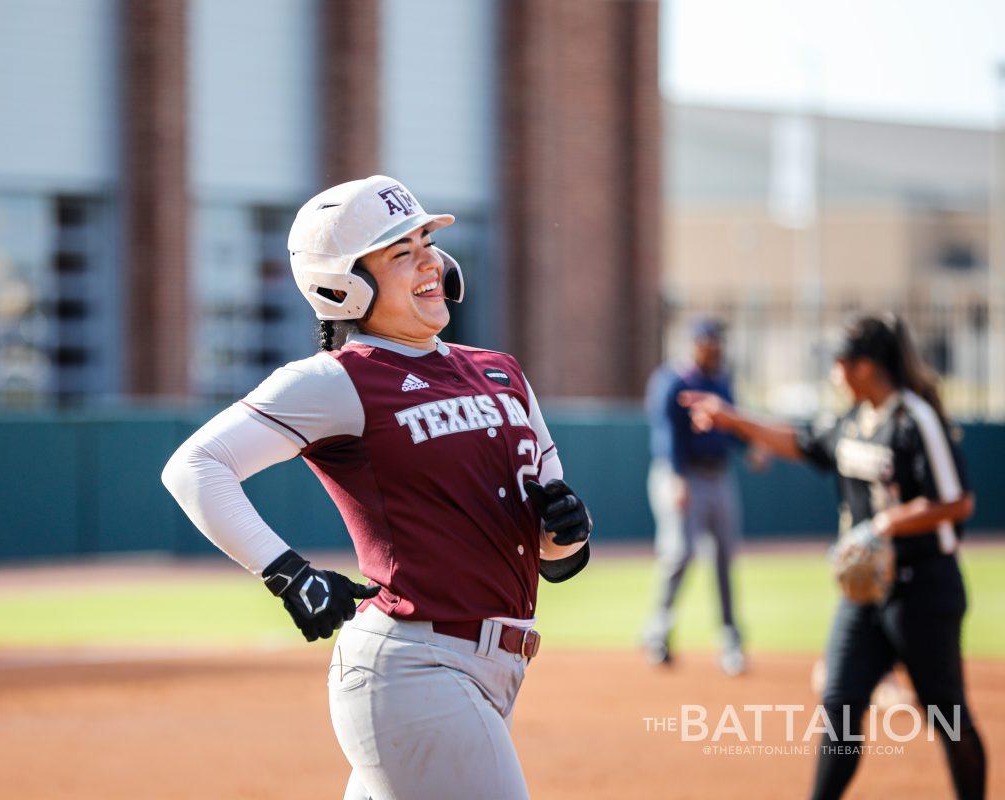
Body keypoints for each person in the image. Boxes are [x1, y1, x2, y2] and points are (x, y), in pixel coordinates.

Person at [161, 175, 594, 800]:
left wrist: (567, 533)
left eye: (425, 241)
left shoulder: (502, 371)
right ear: (344, 285)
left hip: (490, 664)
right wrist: (287, 573)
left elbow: (555, 551)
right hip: (416, 668)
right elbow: (195, 465)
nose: (430, 260)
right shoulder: (337, 380)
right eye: (400, 252)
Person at [681, 314, 986, 800]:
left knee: (946, 714)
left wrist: (883, 525)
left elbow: (956, 501)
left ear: (864, 367)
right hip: (864, 592)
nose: (834, 373)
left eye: (840, 363)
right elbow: (799, 443)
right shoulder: (853, 419)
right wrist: (731, 419)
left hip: (922, 588)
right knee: (841, 704)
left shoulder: (913, 419)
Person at [642, 317, 747, 675]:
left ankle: (731, 641)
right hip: (682, 476)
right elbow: (666, 432)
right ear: (693, 344)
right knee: (679, 554)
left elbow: (731, 425)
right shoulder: (673, 379)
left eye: (716, 342)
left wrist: (751, 447)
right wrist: (676, 477)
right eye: (707, 342)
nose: (712, 347)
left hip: (718, 477)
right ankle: (658, 631)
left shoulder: (721, 380)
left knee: (724, 559)